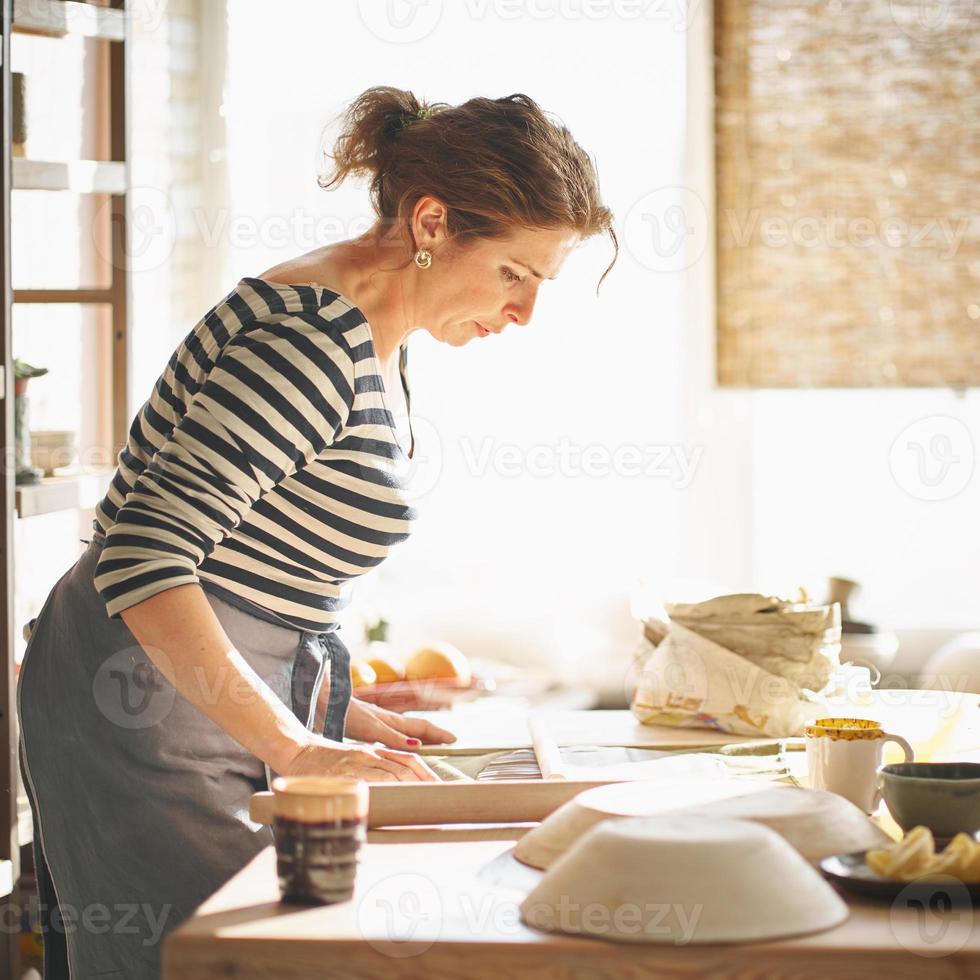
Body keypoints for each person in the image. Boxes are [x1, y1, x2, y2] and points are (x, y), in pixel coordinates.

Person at [17, 85, 617, 979]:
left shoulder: (379, 327)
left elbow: (254, 560)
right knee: (213, 962)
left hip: (191, 689)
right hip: (136, 701)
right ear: (431, 222)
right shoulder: (310, 344)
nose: (524, 312)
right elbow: (148, 557)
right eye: (513, 274)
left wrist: (326, 705)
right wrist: (295, 744)